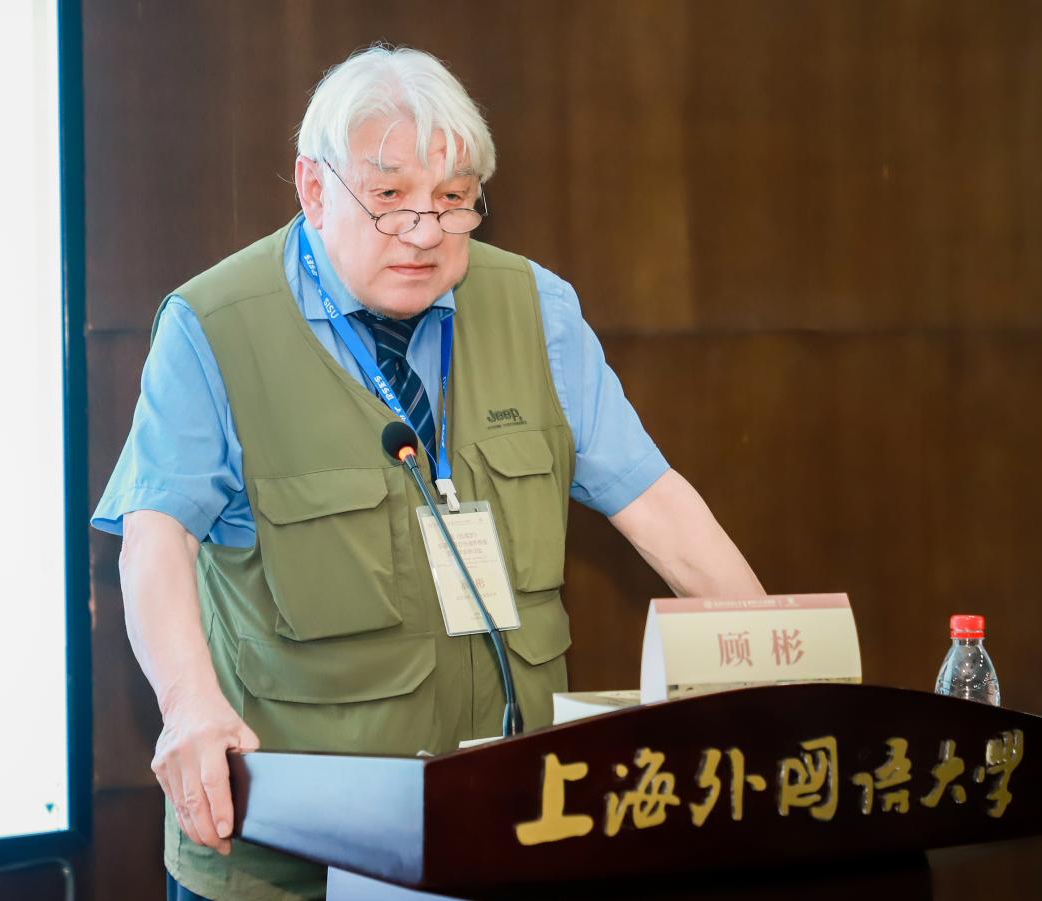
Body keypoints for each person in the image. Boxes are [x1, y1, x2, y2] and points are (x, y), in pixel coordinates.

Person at [93, 45, 763, 901]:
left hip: (506, 828)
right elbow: (155, 536)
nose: (423, 232)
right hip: (294, 848)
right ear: (312, 187)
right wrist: (188, 704)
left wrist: (781, 670)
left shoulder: (537, 308)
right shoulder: (213, 326)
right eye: (388, 198)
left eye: (452, 199)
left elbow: (655, 502)